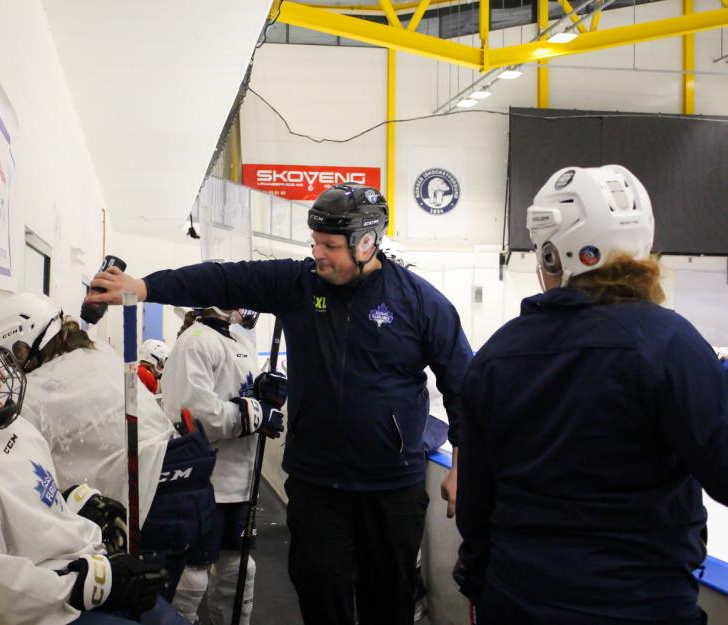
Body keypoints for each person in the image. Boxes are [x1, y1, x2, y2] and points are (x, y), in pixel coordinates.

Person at [83, 183, 473, 625]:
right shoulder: (298, 284)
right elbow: (223, 277)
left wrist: (462, 463)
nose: (318, 254)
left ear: (367, 243)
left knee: (388, 600)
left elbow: (463, 384)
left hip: (391, 487)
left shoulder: (417, 301)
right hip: (317, 483)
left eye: (329, 245)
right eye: (314, 243)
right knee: (320, 594)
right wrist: (146, 287)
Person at [454, 165, 728, 625]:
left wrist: (480, 583)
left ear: (551, 255)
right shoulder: (670, 345)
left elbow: (475, 505)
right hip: (641, 603)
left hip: (518, 599)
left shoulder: (497, 356)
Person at [0, 320, 180, 625]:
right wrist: (93, 585)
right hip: (43, 612)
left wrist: (75, 502)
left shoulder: (12, 428)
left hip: (70, 579)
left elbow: (28, 500)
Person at [0, 293, 217, 600]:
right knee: (165, 598)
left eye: (11, 354)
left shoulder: (41, 390)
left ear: (24, 345)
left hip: (151, 498)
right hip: (185, 486)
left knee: (142, 601)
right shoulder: (99, 355)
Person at [160, 306, 284, 625]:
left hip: (241, 478)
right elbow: (192, 414)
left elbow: (239, 396)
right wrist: (253, 414)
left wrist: (265, 397)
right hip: (206, 480)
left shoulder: (239, 343)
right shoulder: (195, 341)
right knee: (194, 573)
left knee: (240, 569)